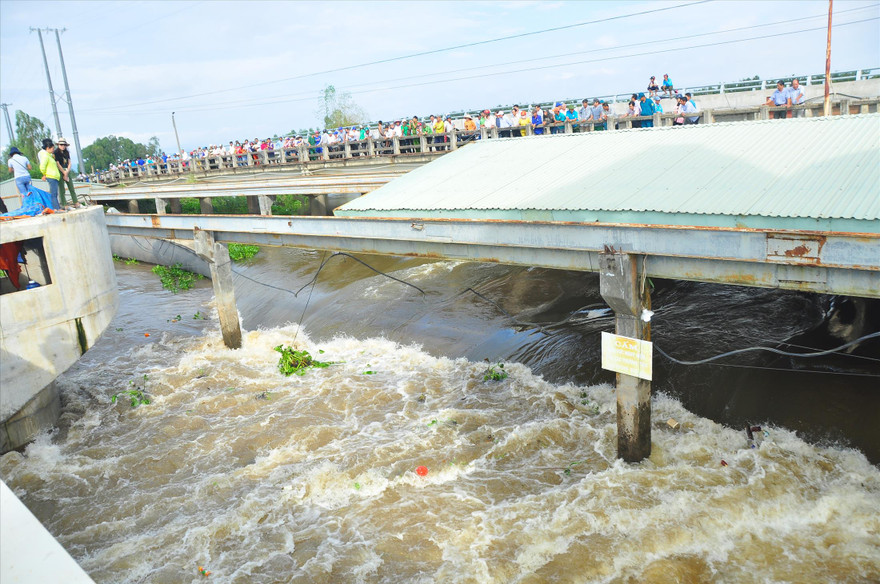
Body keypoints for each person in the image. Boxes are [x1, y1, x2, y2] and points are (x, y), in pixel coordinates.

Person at [54, 138, 79, 207]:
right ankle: (64, 204)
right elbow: (57, 163)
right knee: (62, 189)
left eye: (64, 145)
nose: (63, 146)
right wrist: (63, 172)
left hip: (67, 170)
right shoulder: (56, 152)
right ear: (58, 145)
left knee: (71, 187)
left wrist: (67, 171)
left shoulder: (66, 152)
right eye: (61, 145)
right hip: (60, 170)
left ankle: (76, 202)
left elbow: (69, 162)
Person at [38, 138, 62, 209]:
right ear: (48, 148)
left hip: (54, 176)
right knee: (53, 194)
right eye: (52, 148)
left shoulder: (49, 155)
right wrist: (44, 173)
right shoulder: (45, 156)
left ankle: (57, 207)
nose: (53, 150)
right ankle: (56, 208)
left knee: (55, 193)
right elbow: (42, 166)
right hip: (51, 176)